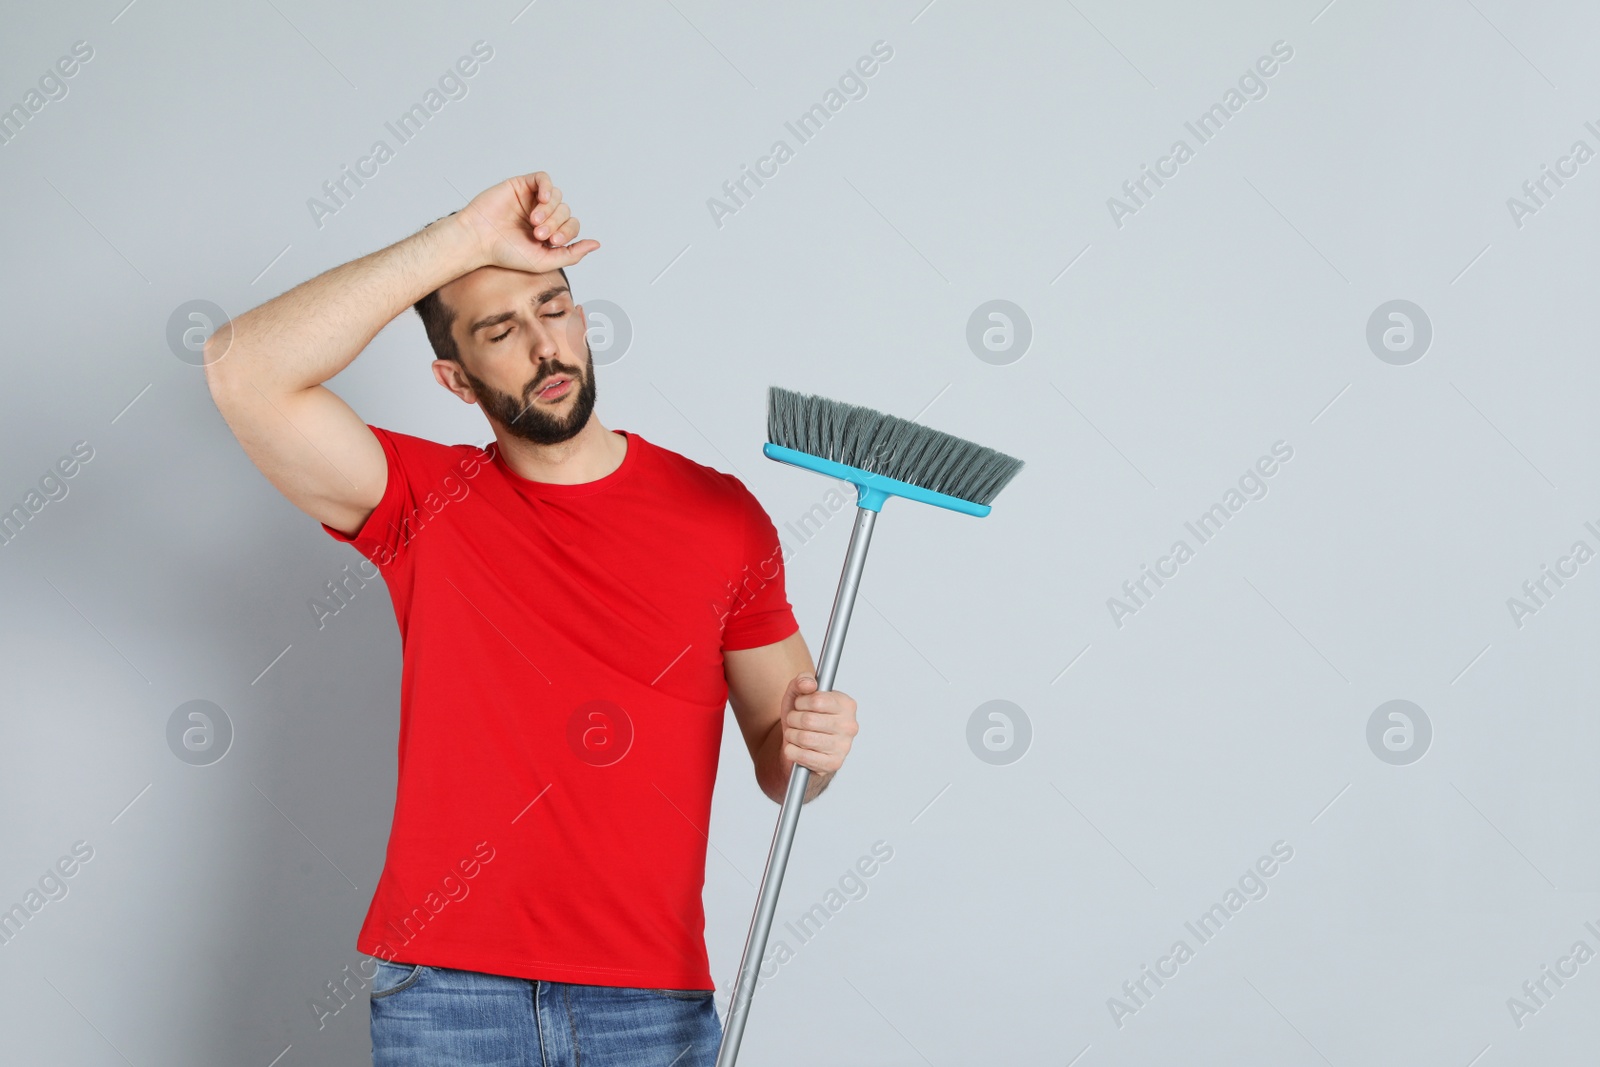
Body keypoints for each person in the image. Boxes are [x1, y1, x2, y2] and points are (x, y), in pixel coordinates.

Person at [202, 171, 859, 1066]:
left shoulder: (722, 516)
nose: (545, 348)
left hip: (649, 998)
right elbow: (245, 368)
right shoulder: (425, 503)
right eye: (500, 331)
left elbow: (786, 772)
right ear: (455, 377)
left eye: (554, 310)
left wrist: (814, 748)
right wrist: (459, 237)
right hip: (449, 995)